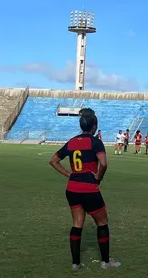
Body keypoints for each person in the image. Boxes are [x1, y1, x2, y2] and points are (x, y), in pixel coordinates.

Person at [48, 108, 121, 271]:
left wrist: (69, 174)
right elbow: (103, 163)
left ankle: (75, 263)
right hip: (89, 189)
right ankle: (105, 262)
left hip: (72, 189)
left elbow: (53, 161)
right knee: (102, 223)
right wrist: (98, 177)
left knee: (77, 223)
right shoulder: (95, 142)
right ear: (94, 126)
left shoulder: (72, 141)